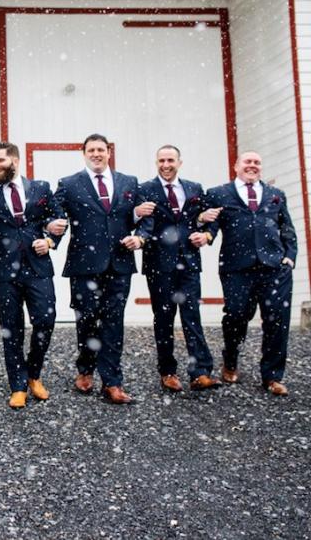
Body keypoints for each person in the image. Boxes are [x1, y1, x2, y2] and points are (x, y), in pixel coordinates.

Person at [50, 133, 144, 405]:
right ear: (84, 153)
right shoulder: (69, 184)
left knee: (114, 322)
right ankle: (85, 369)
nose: (96, 154)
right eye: (91, 150)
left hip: (119, 262)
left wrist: (140, 235)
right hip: (84, 265)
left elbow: (142, 215)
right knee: (88, 320)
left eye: (101, 149)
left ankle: (113, 382)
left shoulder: (129, 183)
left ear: (108, 153)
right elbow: (54, 215)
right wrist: (49, 233)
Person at [201, 151, 297, 396]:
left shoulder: (276, 195)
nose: (252, 166)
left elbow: (287, 229)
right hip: (237, 268)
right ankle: (230, 360)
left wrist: (290, 257)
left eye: (257, 162)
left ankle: (272, 377)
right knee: (236, 316)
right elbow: (210, 226)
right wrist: (206, 233)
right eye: (248, 162)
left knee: (277, 320)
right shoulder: (219, 194)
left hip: (275, 268)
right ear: (236, 166)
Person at [0, 142, 60, 409]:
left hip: (38, 267)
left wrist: (51, 240)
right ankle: (18, 385)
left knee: (45, 320)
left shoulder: (41, 188)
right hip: (3, 271)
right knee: (12, 329)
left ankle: (33, 374)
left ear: (15, 161)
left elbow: (57, 219)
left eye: (0, 161)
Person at [135, 145, 221, 393]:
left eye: (170, 160)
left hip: (189, 262)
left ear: (179, 162)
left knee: (192, 316)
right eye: (161, 160)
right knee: (163, 319)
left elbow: (209, 218)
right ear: (156, 162)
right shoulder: (145, 190)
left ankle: (201, 372)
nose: (166, 164)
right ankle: (168, 371)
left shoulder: (194, 188)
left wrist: (206, 234)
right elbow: (146, 223)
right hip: (159, 263)